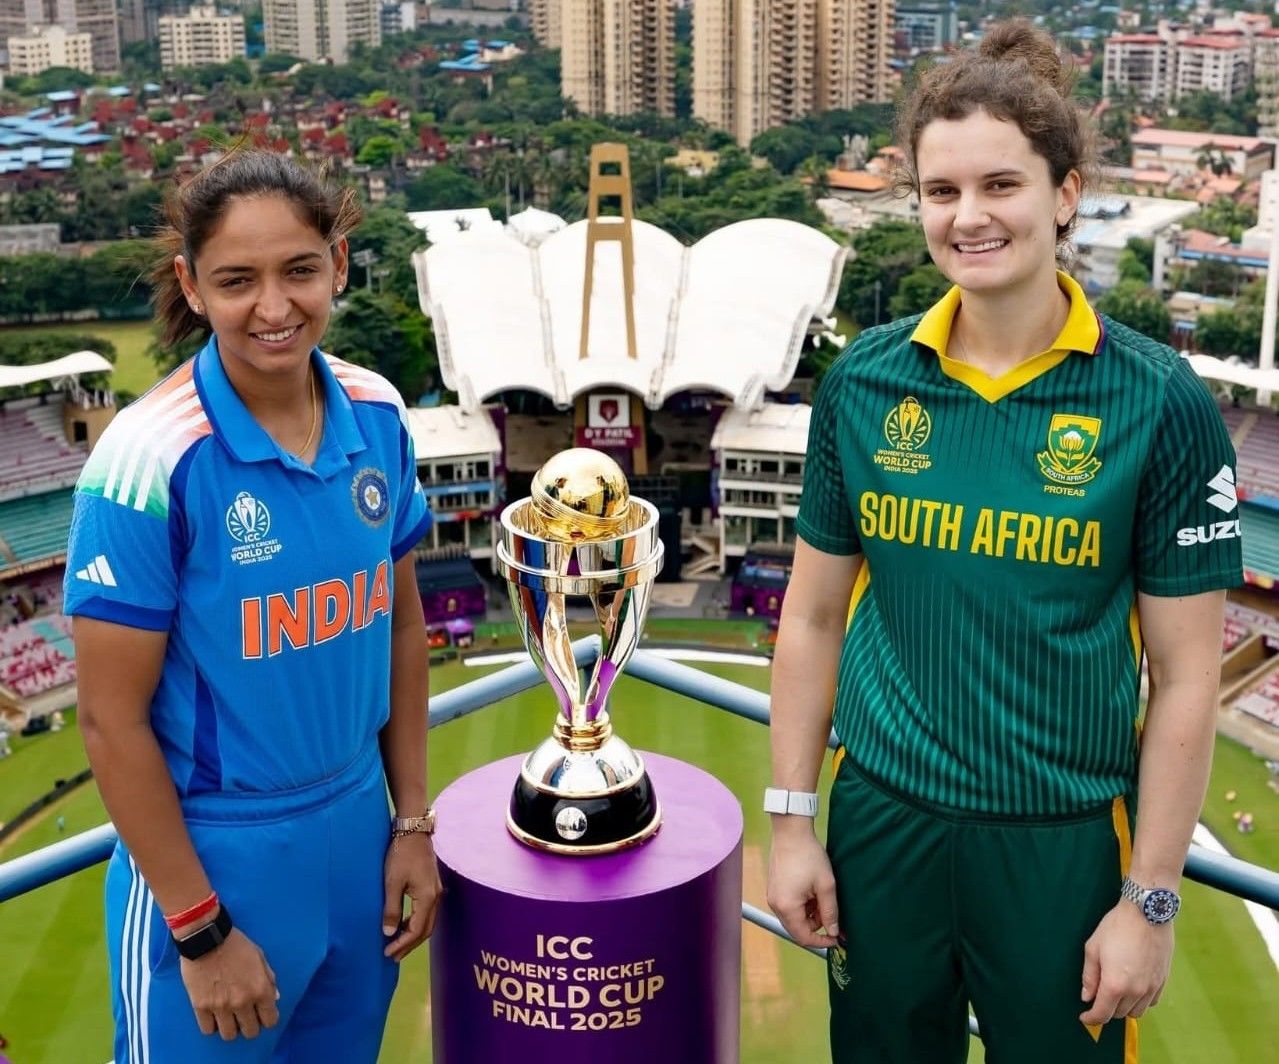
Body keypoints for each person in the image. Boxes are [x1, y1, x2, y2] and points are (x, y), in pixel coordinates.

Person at [765, 21, 1242, 1064]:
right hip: (882, 821)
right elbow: (808, 616)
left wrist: (1149, 900)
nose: (968, 217)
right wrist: (793, 819)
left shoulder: (1155, 401)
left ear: (1063, 194)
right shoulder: (866, 379)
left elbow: (1187, 677)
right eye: (941, 192)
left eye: (1000, 185)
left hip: (1058, 842)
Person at [64, 148, 441, 1062]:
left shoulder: (377, 413)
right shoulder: (148, 459)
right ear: (193, 287)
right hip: (216, 863)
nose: (274, 309)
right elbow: (110, 721)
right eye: (238, 281)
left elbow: (399, 625)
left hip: (357, 839)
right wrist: (198, 930)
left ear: (338, 264)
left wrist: (411, 825)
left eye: (299, 271)